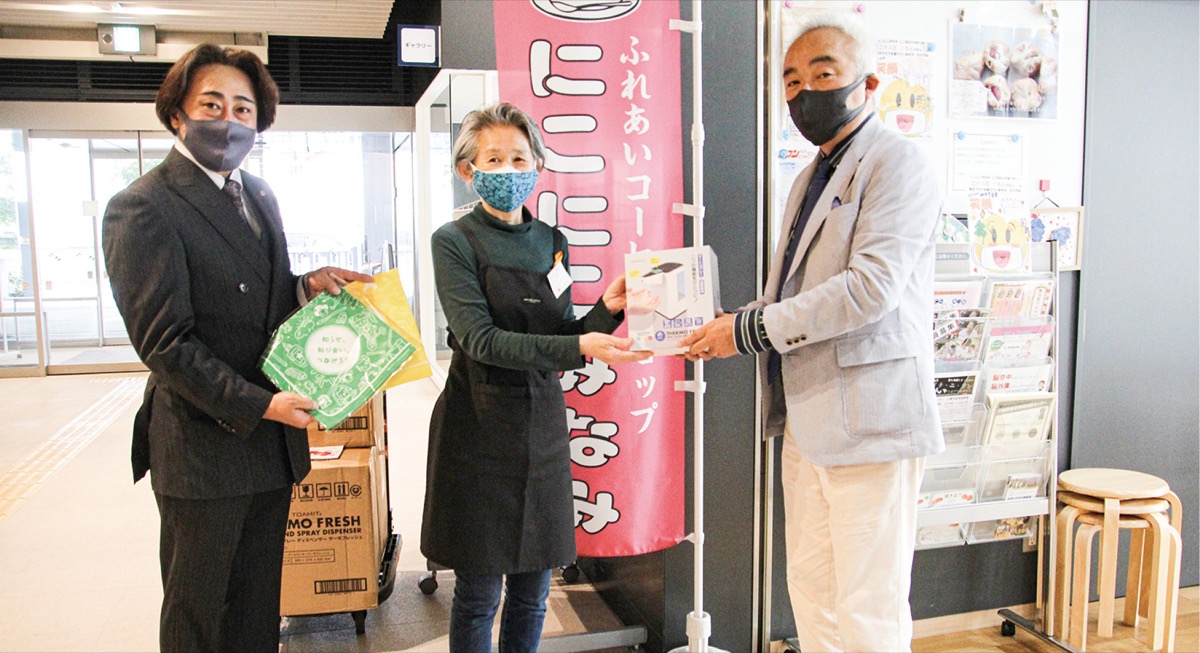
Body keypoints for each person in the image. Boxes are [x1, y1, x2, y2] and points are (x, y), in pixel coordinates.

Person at [679, 13, 944, 652]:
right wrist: (721, 322)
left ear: (868, 83)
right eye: (792, 81)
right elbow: (789, 298)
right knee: (811, 586)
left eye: (823, 74)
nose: (804, 93)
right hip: (808, 414)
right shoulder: (810, 175)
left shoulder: (899, 162)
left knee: (869, 602)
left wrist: (746, 330)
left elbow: (869, 290)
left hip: (874, 419)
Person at [102, 43, 372, 652]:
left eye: (243, 109)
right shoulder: (143, 205)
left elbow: (264, 295)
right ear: (177, 113)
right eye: (212, 104)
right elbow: (165, 343)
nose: (229, 120)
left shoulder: (258, 194)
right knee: (198, 611)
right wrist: (261, 404)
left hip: (270, 448)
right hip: (204, 446)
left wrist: (305, 286)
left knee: (256, 606)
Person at [421, 102, 650, 653]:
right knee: (479, 596)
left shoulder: (552, 241)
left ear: (538, 166)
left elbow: (560, 333)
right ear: (468, 170)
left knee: (533, 593)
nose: (507, 169)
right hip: (477, 427)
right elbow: (481, 340)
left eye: (519, 158)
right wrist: (578, 344)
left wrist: (606, 311)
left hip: (541, 426)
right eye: (492, 158)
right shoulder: (453, 241)